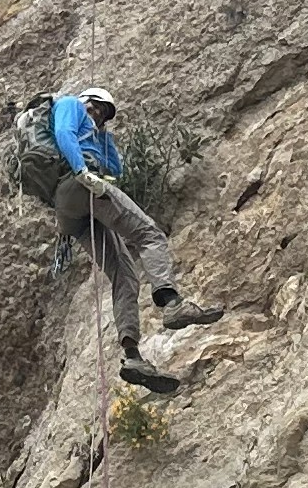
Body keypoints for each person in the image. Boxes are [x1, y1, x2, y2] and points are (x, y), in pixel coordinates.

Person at [49, 85, 222, 389]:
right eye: (97, 106)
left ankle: (132, 356)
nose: (98, 114)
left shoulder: (94, 132)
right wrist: (81, 171)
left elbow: (116, 168)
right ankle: (171, 303)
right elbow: (64, 133)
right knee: (149, 234)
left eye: (104, 114)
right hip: (80, 185)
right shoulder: (70, 104)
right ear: (86, 99)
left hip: (70, 211)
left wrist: (102, 135)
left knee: (125, 275)